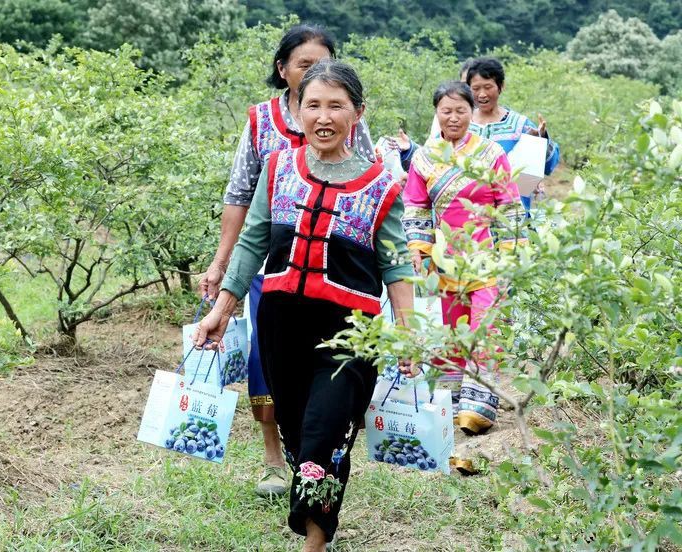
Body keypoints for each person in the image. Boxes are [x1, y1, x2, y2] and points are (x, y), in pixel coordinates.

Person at [195, 59, 414, 552]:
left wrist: (409, 331)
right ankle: (320, 519)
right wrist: (220, 311)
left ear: (357, 112)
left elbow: (397, 267)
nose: (323, 116)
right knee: (297, 432)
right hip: (281, 324)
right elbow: (251, 244)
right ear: (296, 109)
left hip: (350, 333)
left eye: (336, 105)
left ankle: (313, 542)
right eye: (312, 104)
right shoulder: (278, 170)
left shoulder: (383, 186)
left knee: (325, 432)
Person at [198, 24, 375, 498]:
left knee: (328, 367)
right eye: (304, 65)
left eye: (323, 65)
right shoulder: (262, 121)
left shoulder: (345, 115)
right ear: (283, 70)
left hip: (333, 272)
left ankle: (316, 452)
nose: (315, 75)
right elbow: (241, 199)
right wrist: (222, 263)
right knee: (267, 362)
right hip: (270, 266)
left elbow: (370, 190)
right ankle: (276, 458)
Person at [401, 81, 526, 437]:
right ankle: (452, 401)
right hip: (444, 261)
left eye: (460, 110)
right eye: (446, 111)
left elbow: (510, 205)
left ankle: (479, 406)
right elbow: (416, 206)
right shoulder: (425, 157)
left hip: (485, 257)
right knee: (451, 331)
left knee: (484, 329)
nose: (453, 117)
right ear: (436, 113)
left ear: (472, 112)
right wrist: (419, 249)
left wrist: (510, 254)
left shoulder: (490, 153)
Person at [465, 57, 560, 214]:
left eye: (488, 87)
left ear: (501, 86)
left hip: (513, 212)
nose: (481, 94)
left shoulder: (520, 125)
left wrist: (541, 140)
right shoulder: (462, 124)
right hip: (469, 212)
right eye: (475, 88)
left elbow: (548, 166)